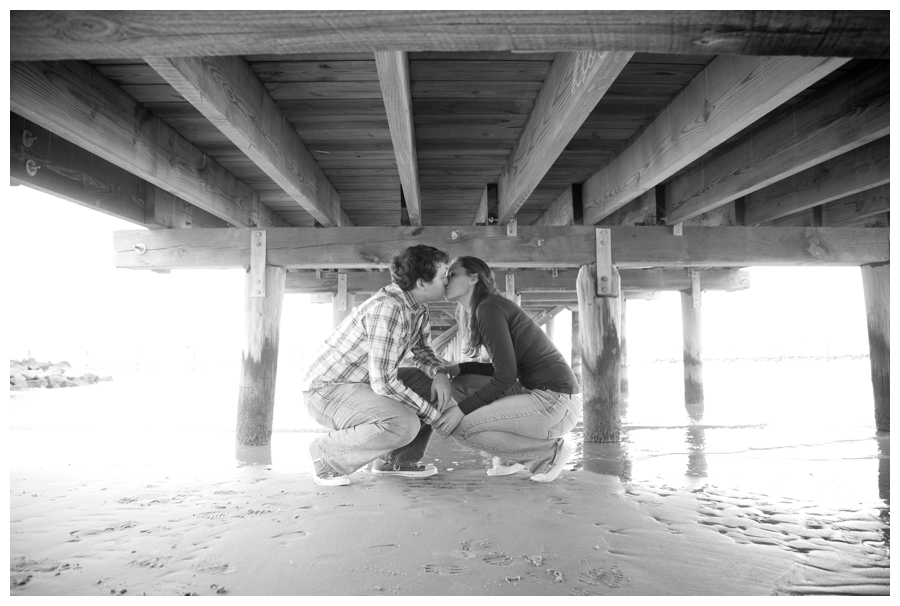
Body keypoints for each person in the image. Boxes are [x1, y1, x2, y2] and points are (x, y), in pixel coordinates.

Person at [303, 245, 454, 486]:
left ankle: (393, 462)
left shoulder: (418, 307)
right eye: (444, 274)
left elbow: (423, 351)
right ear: (422, 283)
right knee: (403, 424)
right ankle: (326, 456)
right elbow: (384, 383)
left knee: (430, 386)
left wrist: (439, 372)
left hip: (364, 384)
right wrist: (435, 416)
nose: (449, 280)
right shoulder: (389, 308)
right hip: (327, 392)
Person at [432, 256, 581, 482]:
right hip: (548, 399)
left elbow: (505, 377)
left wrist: (460, 410)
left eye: (452, 274)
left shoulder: (488, 308)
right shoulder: (486, 307)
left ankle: (548, 454)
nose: (445, 280)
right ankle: (510, 458)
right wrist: (457, 368)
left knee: (461, 429)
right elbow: (501, 368)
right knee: (461, 383)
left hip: (555, 404)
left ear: (473, 278)